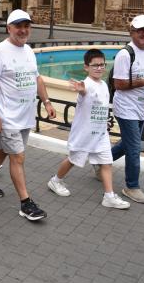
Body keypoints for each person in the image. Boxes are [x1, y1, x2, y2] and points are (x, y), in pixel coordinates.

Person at [0, 9, 57, 221]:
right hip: (7, 116)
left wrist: (47, 102)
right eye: (18, 26)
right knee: (18, 157)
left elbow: (37, 78)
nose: (23, 30)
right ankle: (25, 203)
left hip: (25, 115)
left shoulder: (28, 51)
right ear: (9, 28)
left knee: (3, 150)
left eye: (26, 26)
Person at [47, 49, 130, 209]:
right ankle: (55, 181)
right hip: (84, 134)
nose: (99, 68)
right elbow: (84, 91)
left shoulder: (104, 85)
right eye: (95, 65)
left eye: (102, 65)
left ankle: (108, 196)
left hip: (100, 133)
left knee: (106, 162)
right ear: (86, 67)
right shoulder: (87, 84)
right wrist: (81, 89)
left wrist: (103, 121)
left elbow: (102, 106)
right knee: (73, 160)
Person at [111, 14, 144, 204]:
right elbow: (118, 84)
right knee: (134, 147)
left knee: (127, 144)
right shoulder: (125, 54)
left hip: (141, 107)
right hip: (125, 108)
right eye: (140, 30)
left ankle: (101, 161)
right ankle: (131, 186)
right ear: (132, 32)